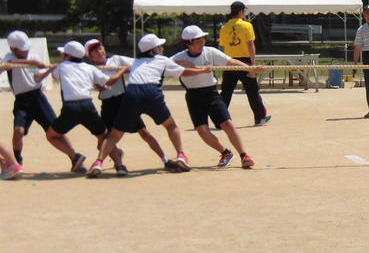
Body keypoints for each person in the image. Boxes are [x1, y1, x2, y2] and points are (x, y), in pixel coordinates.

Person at [86, 33, 212, 177]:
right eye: (160, 46)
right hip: (151, 92)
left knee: (114, 135)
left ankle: (98, 163)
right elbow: (184, 72)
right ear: (154, 49)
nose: (162, 49)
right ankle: (181, 156)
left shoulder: (136, 61)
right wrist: (203, 70)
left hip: (131, 95)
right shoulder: (161, 59)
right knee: (171, 126)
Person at [171, 25, 255, 169]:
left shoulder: (210, 52)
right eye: (198, 40)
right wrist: (187, 66)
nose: (202, 42)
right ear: (188, 43)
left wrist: (249, 67)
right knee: (202, 130)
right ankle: (225, 153)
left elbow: (230, 62)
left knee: (227, 124)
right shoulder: (178, 58)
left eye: (203, 39)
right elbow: (168, 65)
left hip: (211, 93)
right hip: (193, 95)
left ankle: (244, 155)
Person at [1, 30, 85, 173]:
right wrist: (33, 63)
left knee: (54, 129)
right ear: (13, 49)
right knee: (18, 131)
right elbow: (8, 64)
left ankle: (74, 157)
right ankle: (16, 160)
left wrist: (48, 70)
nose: (26, 51)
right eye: (22, 49)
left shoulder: (33, 56)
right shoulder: (10, 57)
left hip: (37, 97)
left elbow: (37, 78)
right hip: (22, 100)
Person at [35, 41, 128, 170]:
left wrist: (58, 64)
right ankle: (119, 165)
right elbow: (108, 81)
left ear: (67, 56)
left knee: (51, 135)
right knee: (103, 136)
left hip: (70, 108)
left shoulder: (62, 66)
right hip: (87, 106)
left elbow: (51, 76)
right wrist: (123, 71)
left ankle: (74, 156)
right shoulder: (89, 67)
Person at [218, 1, 270, 126]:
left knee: (226, 92)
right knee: (252, 92)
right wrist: (253, 64)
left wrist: (224, 62)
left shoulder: (224, 27)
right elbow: (250, 44)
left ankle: (219, 120)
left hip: (230, 62)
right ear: (241, 12)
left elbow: (223, 47)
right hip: (245, 62)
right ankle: (260, 118)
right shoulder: (247, 25)